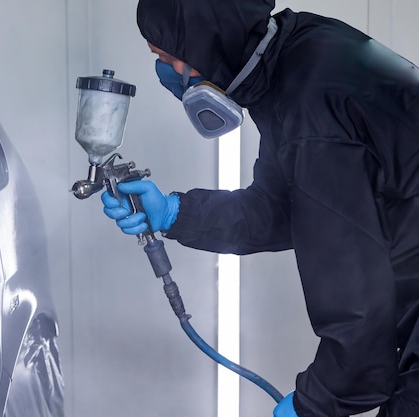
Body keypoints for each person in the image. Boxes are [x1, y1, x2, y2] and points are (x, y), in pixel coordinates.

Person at [100, 1, 419, 416]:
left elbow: (359, 318)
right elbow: (284, 207)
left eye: (168, 57)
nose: (165, 73)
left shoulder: (311, 108)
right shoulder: (299, 55)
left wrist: (311, 405)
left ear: (207, 44)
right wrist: (177, 212)